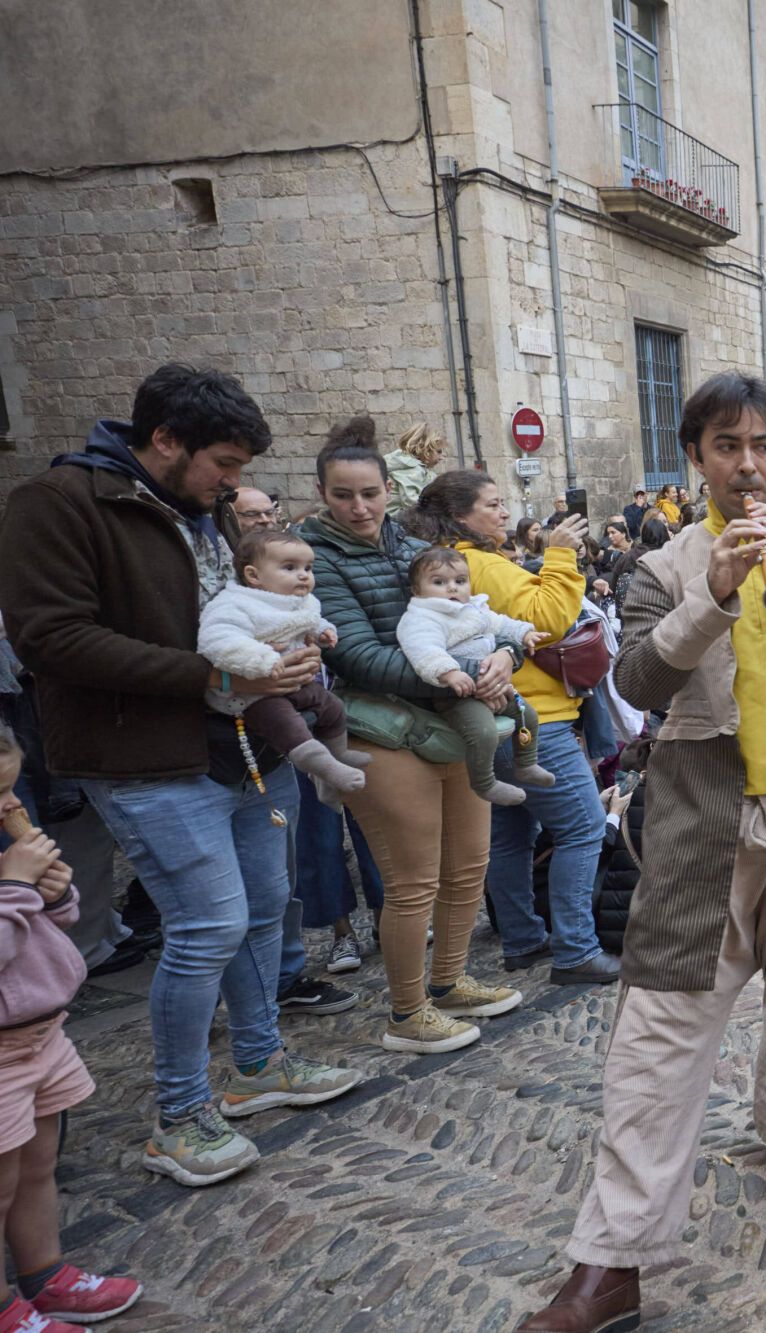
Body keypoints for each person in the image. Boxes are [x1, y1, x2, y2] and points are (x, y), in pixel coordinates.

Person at [521, 374, 766, 1333]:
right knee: (656, 1035)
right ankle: (611, 1262)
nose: (748, 464)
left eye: (763, 444)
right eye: (727, 446)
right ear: (697, 459)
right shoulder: (665, 563)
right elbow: (641, 677)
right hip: (702, 820)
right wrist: (715, 594)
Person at [0, 365, 359, 1187]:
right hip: (139, 757)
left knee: (265, 910)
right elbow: (50, 638)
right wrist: (209, 678)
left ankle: (259, 1065)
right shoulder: (57, 504)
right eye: (224, 464)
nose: (234, 484)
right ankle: (178, 1113)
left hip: (236, 751)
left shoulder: (203, 510)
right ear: (165, 439)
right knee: (208, 926)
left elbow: (230, 609)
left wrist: (282, 657)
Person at [303, 418, 524, 1057]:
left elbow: (472, 613)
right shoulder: (317, 557)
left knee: (468, 864)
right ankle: (406, 1011)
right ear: (323, 493)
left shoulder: (407, 544)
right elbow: (359, 658)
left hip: (448, 716)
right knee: (411, 880)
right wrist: (462, 683)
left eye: (369, 493)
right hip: (382, 728)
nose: (359, 507)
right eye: (343, 495)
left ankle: (450, 981)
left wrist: (504, 654)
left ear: (386, 489)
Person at [406, 474, 620, 985]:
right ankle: (576, 950)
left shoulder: (446, 566)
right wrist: (561, 555)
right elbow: (547, 620)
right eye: (493, 504)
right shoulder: (478, 564)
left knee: (510, 834)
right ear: (460, 516)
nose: (505, 513)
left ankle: (523, 940)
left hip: (491, 719)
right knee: (583, 828)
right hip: (534, 718)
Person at [0, 724, 148, 1328]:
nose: (13, 806)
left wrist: (54, 897)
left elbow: (38, 931)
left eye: (10, 790)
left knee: (38, 1167)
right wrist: (14, 886)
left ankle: (45, 1274)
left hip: (41, 1032)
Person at [196, 530, 370, 798]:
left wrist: (323, 632)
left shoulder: (301, 601)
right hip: (250, 692)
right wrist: (262, 659)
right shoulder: (235, 604)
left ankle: (339, 754)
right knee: (286, 724)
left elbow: (310, 621)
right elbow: (217, 640)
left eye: (308, 568)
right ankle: (322, 766)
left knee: (332, 707)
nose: (303, 575)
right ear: (254, 576)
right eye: (290, 568)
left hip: (295, 682)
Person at [394, 547, 555, 804]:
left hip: (494, 683)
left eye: (460, 581)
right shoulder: (422, 617)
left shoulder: (473, 608)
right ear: (416, 590)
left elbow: (500, 623)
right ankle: (484, 783)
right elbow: (423, 649)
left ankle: (526, 763)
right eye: (439, 582)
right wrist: (449, 673)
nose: (452, 589)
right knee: (483, 732)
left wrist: (524, 633)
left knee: (528, 715)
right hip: (457, 693)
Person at [382, 423, 447, 518]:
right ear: (426, 450)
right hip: (395, 518)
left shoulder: (405, 462)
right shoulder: (411, 468)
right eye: (438, 452)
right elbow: (410, 502)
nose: (442, 457)